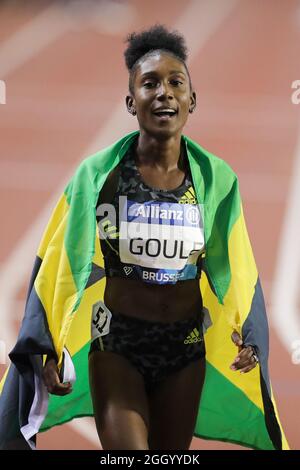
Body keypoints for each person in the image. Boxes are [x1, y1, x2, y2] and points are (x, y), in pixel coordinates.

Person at [0, 25, 287, 451]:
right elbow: (59, 265)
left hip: (184, 350)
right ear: (130, 102)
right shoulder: (98, 176)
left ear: (193, 100)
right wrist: (47, 343)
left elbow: (236, 266)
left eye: (176, 82)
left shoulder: (216, 180)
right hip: (117, 346)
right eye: (149, 83)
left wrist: (251, 331)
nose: (164, 92)